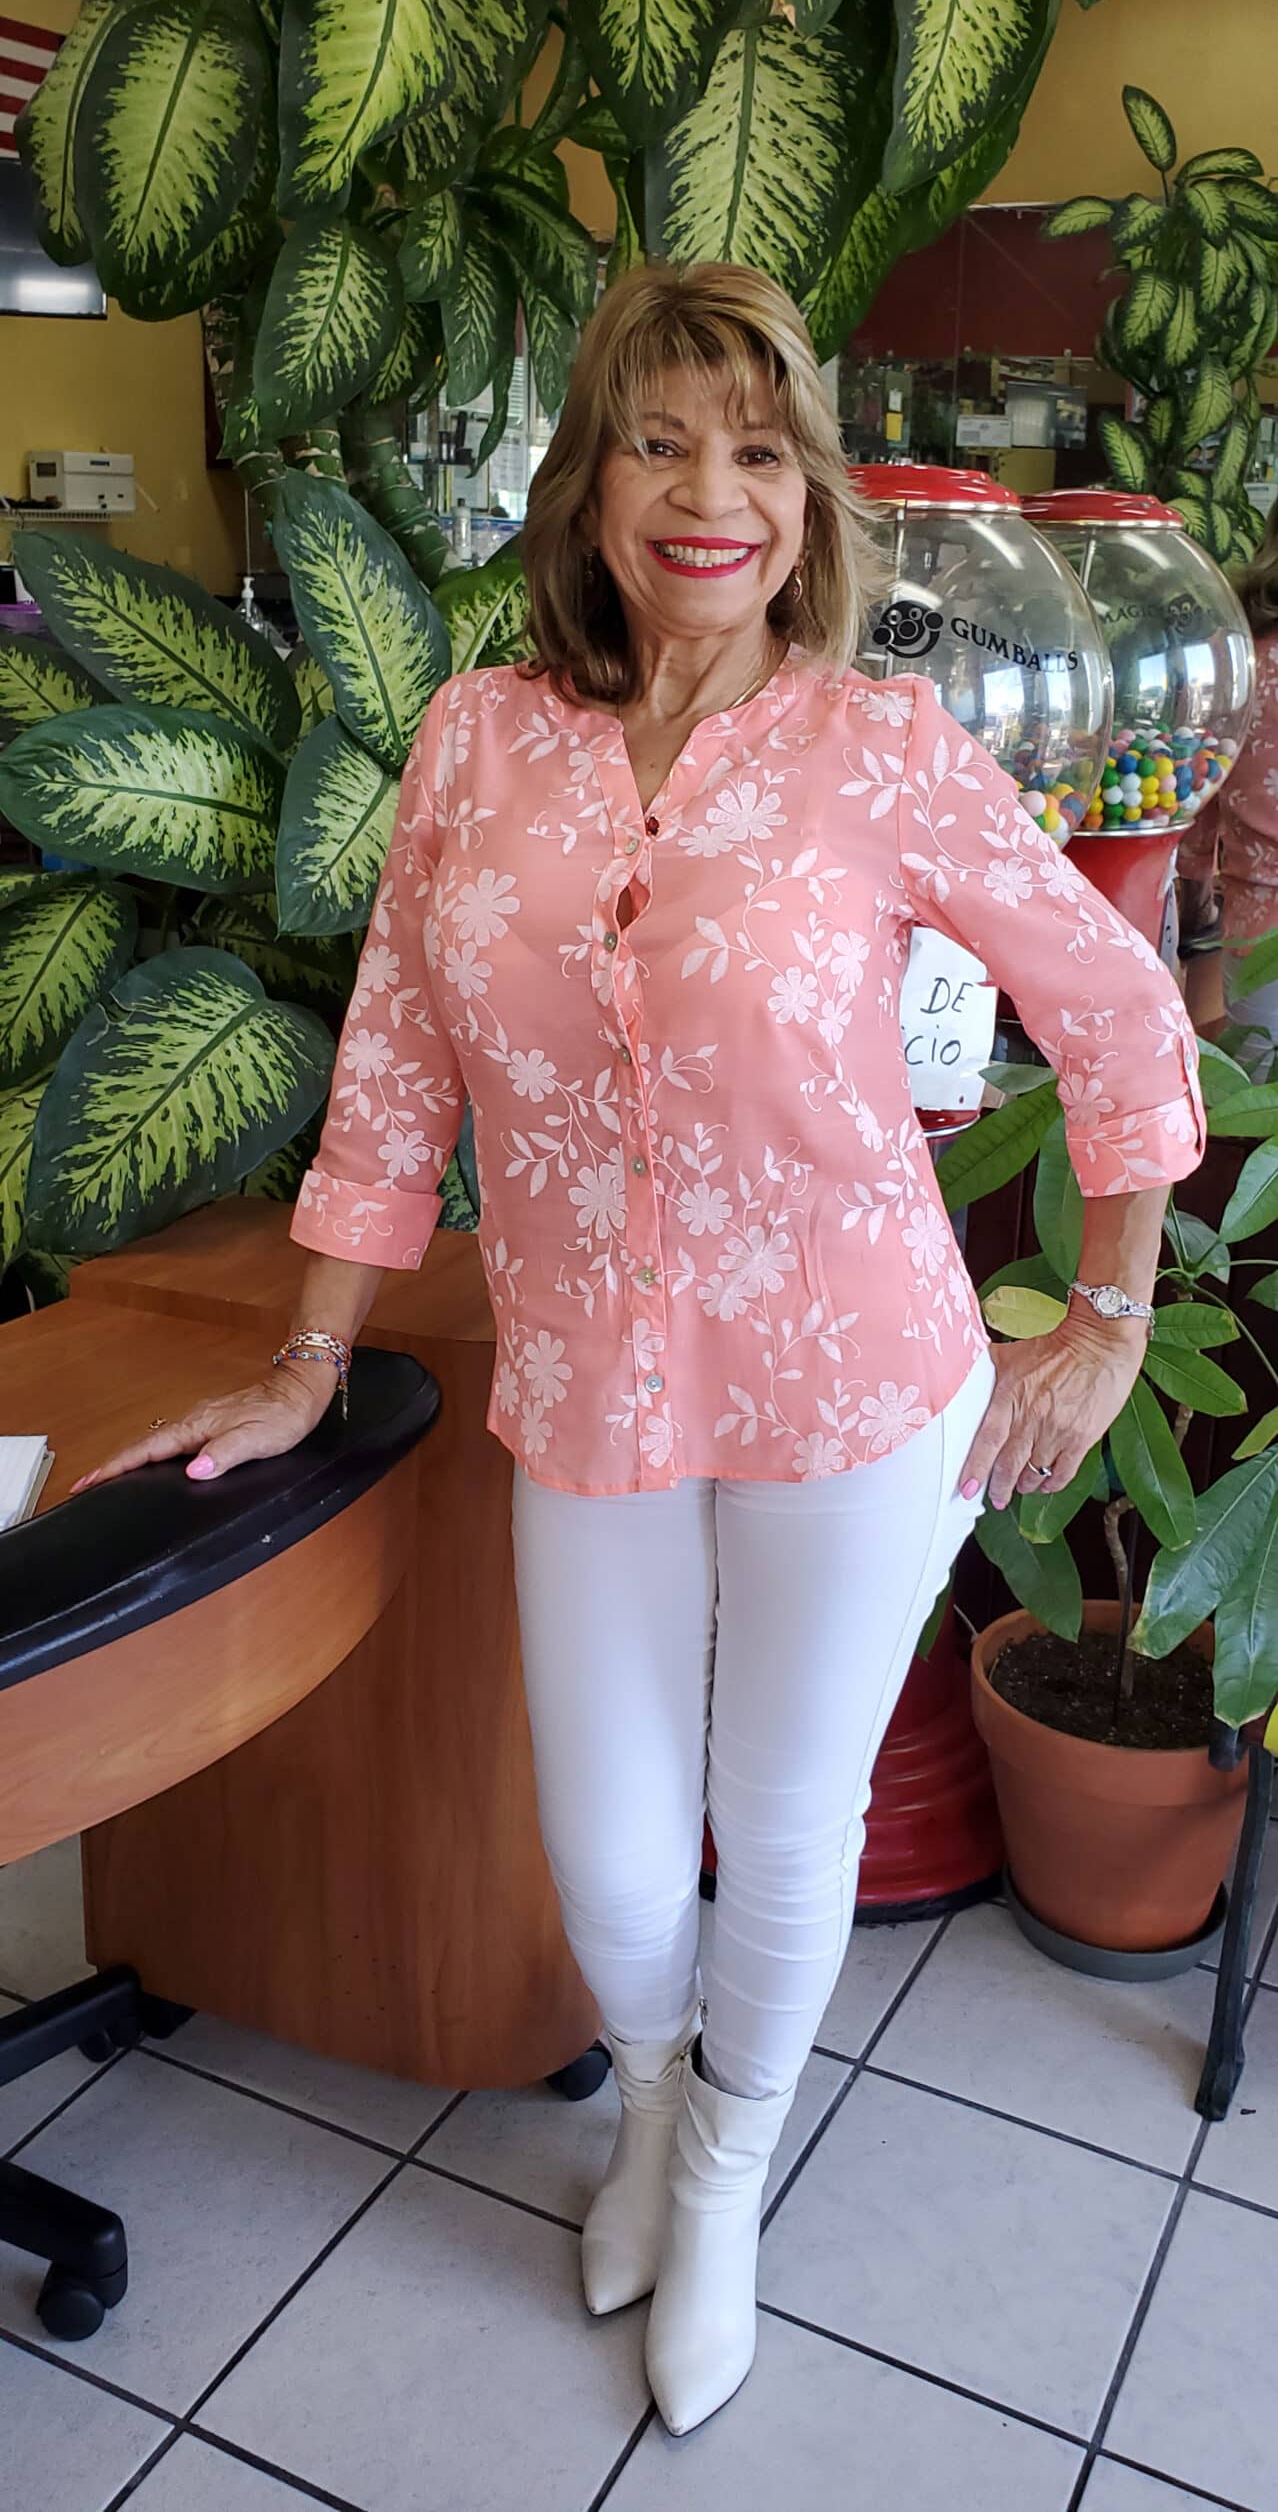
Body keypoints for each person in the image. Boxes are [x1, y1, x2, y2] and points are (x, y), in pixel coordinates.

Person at [76, 264, 1206, 2439]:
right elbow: (394, 1064)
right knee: (607, 1854)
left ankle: (726, 2176)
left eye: (759, 451)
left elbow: (1114, 1009)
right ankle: (655, 2105)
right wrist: (307, 1355)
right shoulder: (476, 741)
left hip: (852, 1385)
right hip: (590, 1374)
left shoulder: (881, 750)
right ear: (589, 484)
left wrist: (1106, 1317)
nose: (711, 494)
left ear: (808, 497)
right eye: (661, 442)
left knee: (775, 1828)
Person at [1178, 501, 1278, 1054]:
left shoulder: (1236, 655)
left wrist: (1194, 896)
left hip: (1258, 922)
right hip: (1255, 919)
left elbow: (1201, 787)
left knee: (1258, 1090)